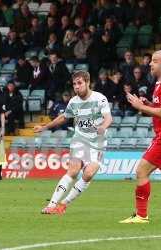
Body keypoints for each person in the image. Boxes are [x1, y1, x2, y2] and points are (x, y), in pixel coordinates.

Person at [35, 71, 112, 215]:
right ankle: (51, 205)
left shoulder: (100, 98)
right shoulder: (73, 101)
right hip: (80, 140)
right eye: (75, 84)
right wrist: (45, 127)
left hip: (98, 143)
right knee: (73, 171)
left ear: (87, 82)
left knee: (88, 174)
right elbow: (64, 117)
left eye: (80, 83)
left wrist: (103, 127)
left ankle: (64, 203)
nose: (77, 87)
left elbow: (108, 118)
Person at [120, 50, 161, 223]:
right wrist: (148, 104)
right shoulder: (158, 84)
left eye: (154, 61)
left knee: (141, 171)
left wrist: (141, 106)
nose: (150, 64)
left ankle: (141, 215)